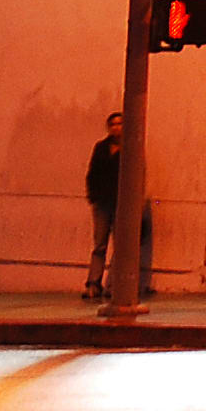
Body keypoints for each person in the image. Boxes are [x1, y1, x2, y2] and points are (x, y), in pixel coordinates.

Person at [81, 109, 137, 301]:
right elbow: (92, 172)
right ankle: (93, 283)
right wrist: (93, 195)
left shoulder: (131, 148)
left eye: (120, 124)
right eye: (113, 124)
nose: (116, 128)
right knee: (99, 244)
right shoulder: (101, 148)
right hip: (102, 202)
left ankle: (113, 285)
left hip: (121, 204)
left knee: (120, 246)